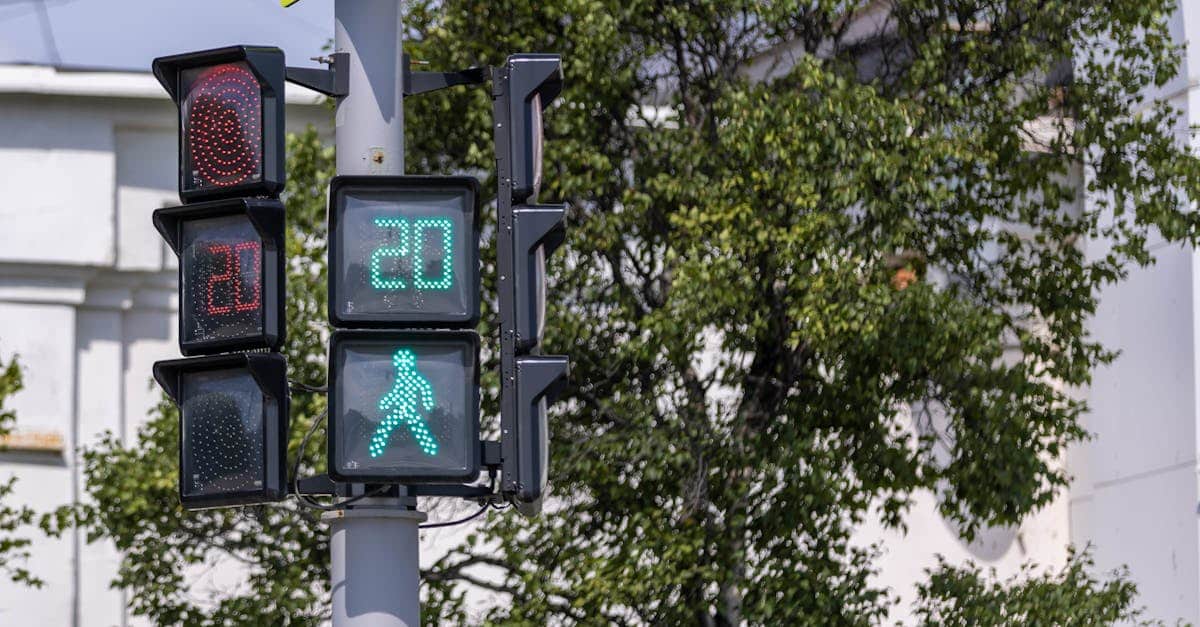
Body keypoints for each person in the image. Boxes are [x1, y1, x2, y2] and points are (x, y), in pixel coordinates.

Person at [370, 347, 439, 457]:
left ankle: (430, 448)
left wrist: (427, 402)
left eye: (404, 363)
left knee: (419, 431)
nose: (402, 366)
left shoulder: (414, 377)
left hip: (409, 411)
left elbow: (424, 388)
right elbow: (396, 393)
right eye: (400, 363)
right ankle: (375, 448)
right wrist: (386, 402)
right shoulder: (401, 379)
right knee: (386, 427)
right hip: (400, 410)